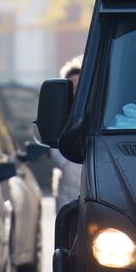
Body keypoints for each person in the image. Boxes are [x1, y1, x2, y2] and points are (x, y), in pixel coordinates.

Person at [50, 56, 83, 213]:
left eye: (79, 84)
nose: (76, 89)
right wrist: (66, 164)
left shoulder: (94, 111)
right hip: (68, 183)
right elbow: (51, 136)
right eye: (72, 85)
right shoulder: (57, 112)